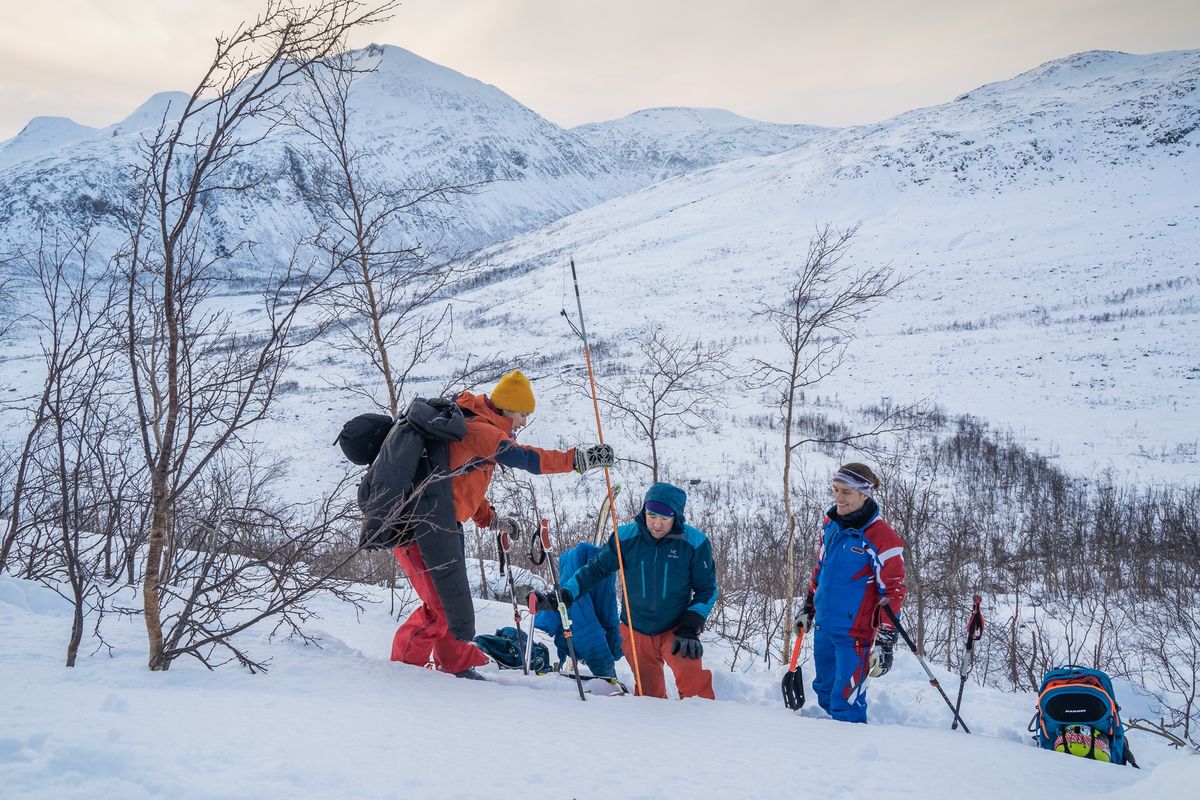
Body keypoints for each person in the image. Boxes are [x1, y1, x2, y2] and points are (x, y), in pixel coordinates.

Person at [388, 369, 614, 679]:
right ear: (508, 408)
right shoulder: (483, 431)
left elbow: (458, 485)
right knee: (441, 607)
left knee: (452, 605)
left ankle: (454, 664)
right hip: (420, 530)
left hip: (441, 526)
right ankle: (403, 669)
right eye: (523, 414)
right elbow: (527, 459)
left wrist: (491, 519)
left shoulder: (475, 426)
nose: (523, 422)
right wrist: (576, 460)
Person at [537, 482, 718, 699]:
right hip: (636, 631)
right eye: (652, 516)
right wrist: (567, 593)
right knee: (649, 699)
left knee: (694, 687)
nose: (657, 524)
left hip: (677, 629)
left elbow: (706, 590)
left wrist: (691, 625)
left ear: (676, 517)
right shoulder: (625, 538)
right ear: (644, 511)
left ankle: (705, 727)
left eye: (664, 519)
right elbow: (596, 569)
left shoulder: (695, 543)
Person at [794, 462, 906, 723]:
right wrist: (809, 608)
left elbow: (893, 591)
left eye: (845, 492)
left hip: (854, 634)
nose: (838, 498)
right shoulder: (830, 525)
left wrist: (886, 641)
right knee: (823, 690)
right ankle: (829, 748)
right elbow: (821, 569)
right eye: (835, 490)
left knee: (846, 700)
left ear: (864, 494)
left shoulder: (882, 537)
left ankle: (849, 756)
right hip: (824, 625)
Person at [534, 541, 622, 679]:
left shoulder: (581, 570)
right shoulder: (597, 573)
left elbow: (607, 613)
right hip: (586, 629)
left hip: (580, 623)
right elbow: (608, 615)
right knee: (588, 633)